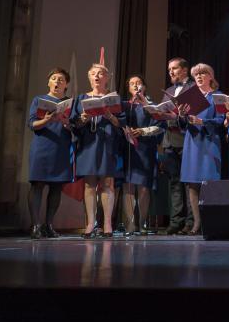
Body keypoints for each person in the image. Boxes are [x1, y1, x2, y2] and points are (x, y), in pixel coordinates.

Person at [71, 63, 125, 238]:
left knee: (107, 183)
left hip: (107, 143)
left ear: (107, 78)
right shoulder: (80, 98)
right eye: (93, 73)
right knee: (89, 184)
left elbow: (121, 124)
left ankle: (107, 224)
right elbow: (75, 124)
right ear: (89, 77)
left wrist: (109, 115)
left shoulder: (113, 98)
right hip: (89, 143)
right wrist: (83, 118)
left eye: (101, 74)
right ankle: (90, 224)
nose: (96, 76)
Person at [27, 68, 73, 239]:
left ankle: (49, 225)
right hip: (42, 146)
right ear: (49, 82)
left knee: (56, 186)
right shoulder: (39, 100)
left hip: (61, 148)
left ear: (66, 84)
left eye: (61, 79)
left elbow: (75, 126)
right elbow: (32, 124)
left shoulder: (70, 103)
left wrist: (68, 123)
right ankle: (35, 225)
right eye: (54, 78)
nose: (57, 82)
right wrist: (46, 120)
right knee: (37, 185)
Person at [180, 63, 224, 235]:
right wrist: (181, 115)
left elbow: (221, 121)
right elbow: (182, 123)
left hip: (209, 142)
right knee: (192, 184)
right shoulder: (191, 96)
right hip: (192, 142)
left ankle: (210, 222)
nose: (198, 77)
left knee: (209, 183)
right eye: (196, 75)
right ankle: (197, 222)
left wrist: (202, 122)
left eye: (203, 73)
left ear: (210, 77)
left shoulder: (217, 96)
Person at [121, 75, 164, 235]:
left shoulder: (152, 106)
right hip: (128, 148)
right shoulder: (125, 106)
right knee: (128, 187)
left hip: (146, 148)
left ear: (144, 87)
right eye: (131, 83)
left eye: (138, 83)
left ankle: (142, 223)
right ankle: (130, 224)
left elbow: (160, 126)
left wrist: (143, 131)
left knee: (144, 188)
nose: (135, 85)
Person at [161, 57, 195, 235]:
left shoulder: (193, 87)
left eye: (174, 69)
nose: (171, 72)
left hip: (186, 140)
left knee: (189, 183)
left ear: (184, 70)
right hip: (169, 141)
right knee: (174, 183)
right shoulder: (168, 90)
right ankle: (176, 221)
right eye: (169, 70)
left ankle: (191, 222)